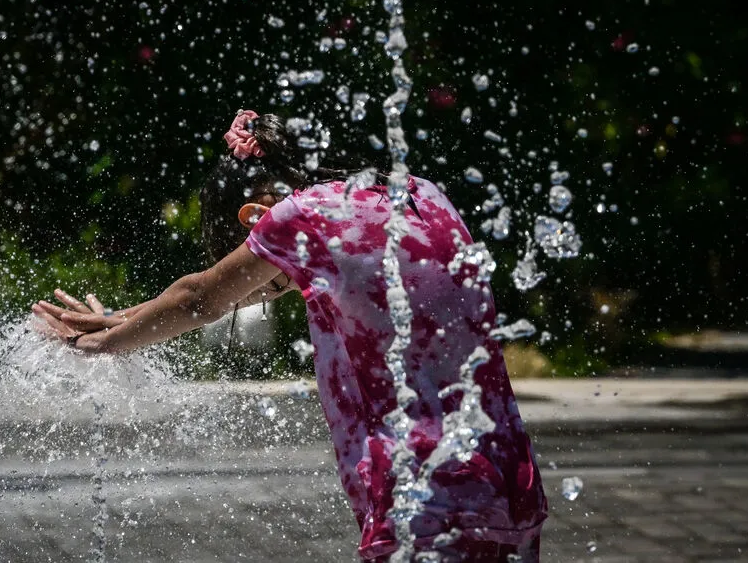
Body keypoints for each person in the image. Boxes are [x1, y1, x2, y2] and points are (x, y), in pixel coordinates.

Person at [32, 110, 548, 562]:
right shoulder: (418, 193)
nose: (253, 281)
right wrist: (125, 319)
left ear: (254, 214)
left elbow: (200, 299)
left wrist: (99, 344)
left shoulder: (301, 217)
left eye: (244, 254)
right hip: (509, 481)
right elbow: (223, 295)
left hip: (425, 497)